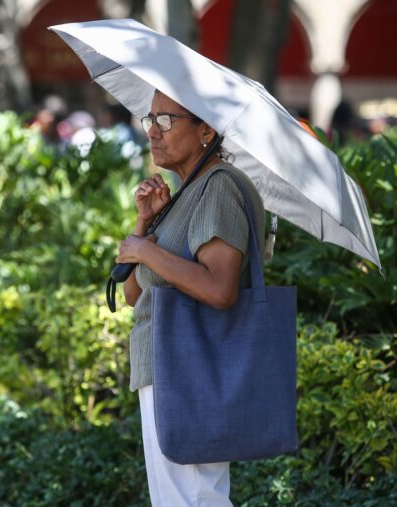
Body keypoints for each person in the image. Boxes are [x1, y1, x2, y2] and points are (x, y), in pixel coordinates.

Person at [115, 90, 264, 506]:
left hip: (190, 368)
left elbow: (220, 289)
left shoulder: (218, 188)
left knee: (193, 499)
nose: (152, 133)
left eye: (166, 121)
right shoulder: (185, 193)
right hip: (169, 366)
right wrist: (146, 223)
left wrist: (148, 251)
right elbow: (133, 294)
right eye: (150, 120)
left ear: (206, 130)